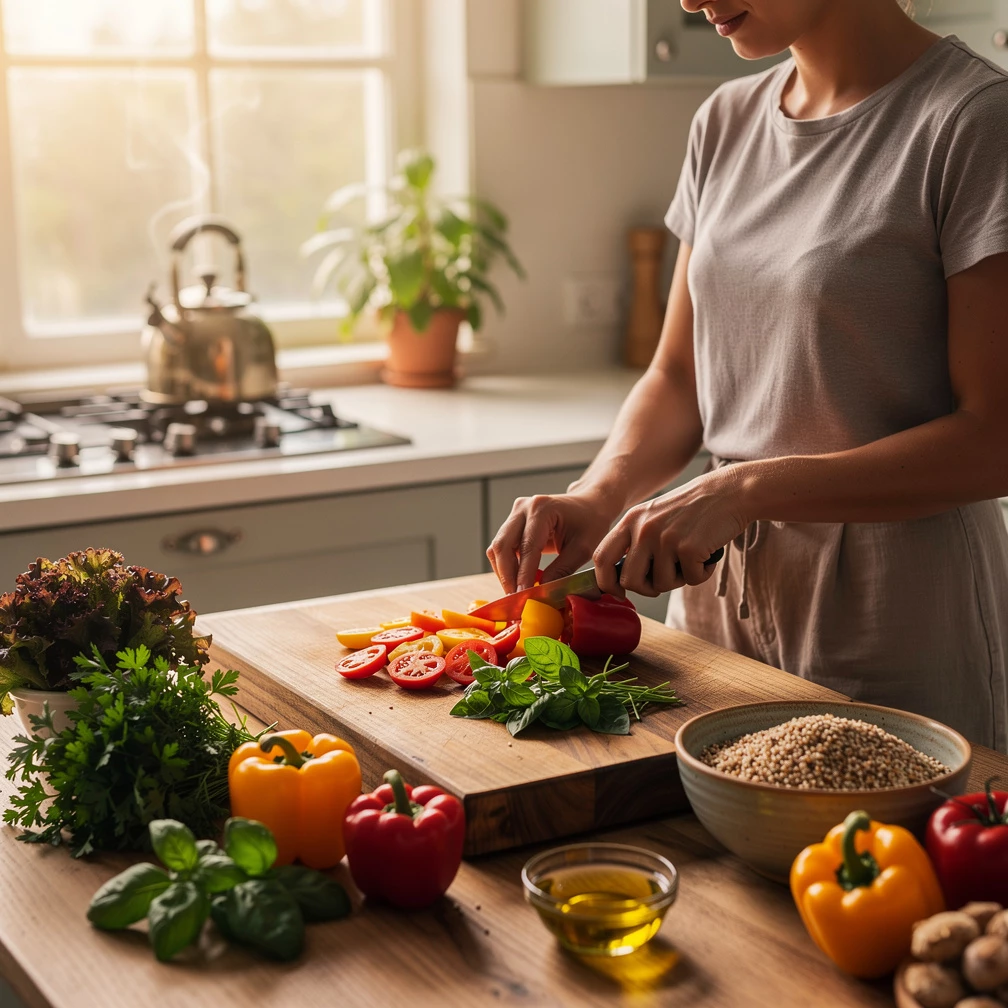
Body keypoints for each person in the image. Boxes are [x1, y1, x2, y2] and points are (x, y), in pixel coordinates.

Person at [487, 0, 1008, 751]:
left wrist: (743, 489)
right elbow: (678, 374)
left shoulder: (972, 122)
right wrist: (600, 493)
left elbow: (994, 437)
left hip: (896, 613)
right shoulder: (725, 121)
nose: (690, 1)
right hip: (715, 597)